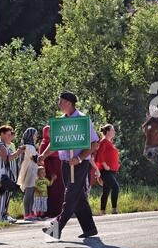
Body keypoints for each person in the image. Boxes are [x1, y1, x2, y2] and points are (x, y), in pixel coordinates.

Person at [38, 91, 100, 239]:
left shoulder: (83, 119)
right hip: (65, 164)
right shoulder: (60, 121)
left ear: (69, 103)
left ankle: (56, 228)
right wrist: (43, 155)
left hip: (79, 164)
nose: (59, 104)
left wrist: (79, 158)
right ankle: (90, 228)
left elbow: (94, 143)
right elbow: (55, 143)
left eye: (61, 101)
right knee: (78, 197)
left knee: (70, 195)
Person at [0, 125, 25, 223]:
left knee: (7, 195)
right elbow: (6, 158)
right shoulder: (0, 144)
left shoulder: (5, 144)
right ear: (2, 134)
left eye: (11, 135)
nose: (10, 137)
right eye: (8, 135)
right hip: (2, 174)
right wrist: (18, 152)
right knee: (2, 195)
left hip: (7, 174)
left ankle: (4, 216)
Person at [39, 125, 64, 218]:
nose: (50, 133)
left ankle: (60, 210)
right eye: (48, 131)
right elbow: (44, 160)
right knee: (52, 190)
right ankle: (52, 211)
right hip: (51, 169)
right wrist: (51, 172)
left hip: (59, 167)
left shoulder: (56, 142)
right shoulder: (44, 144)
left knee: (61, 189)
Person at [96, 124, 120, 215]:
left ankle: (102, 211)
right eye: (113, 130)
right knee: (116, 187)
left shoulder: (110, 142)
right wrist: (104, 164)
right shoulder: (103, 142)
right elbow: (99, 154)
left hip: (112, 171)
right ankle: (114, 209)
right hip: (106, 171)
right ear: (108, 132)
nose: (114, 132)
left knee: (106, 190)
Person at [17, 128, 39, 220]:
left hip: (31, 170)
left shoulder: (27, 146)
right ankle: (27, 214)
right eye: (35, 134)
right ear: (31, 135)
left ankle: (30, 213)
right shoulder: (30, 147)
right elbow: (35, 158)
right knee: (29, 192)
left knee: (31, 192)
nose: (36, 136)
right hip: (30, 171)